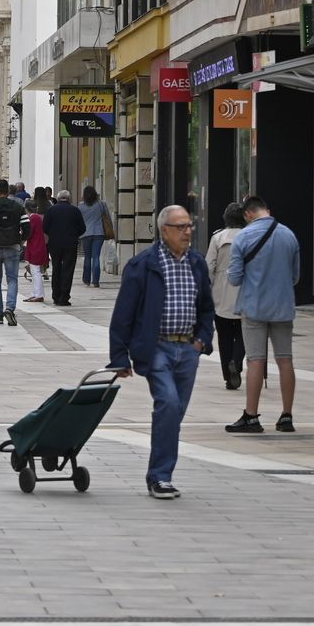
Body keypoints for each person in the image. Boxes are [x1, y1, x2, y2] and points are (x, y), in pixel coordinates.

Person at [108, 205, 216, 500]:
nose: (188, 231)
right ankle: (160, 477)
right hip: (157, 347)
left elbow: (207, 306)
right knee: (167, 404)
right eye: (181, 227)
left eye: (189, 225)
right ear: (164, 230)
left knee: (174, 412)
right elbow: (123, 315)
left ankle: (160, 472)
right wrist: (119, 356)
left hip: (188, 348)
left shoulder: (196, 263)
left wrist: (202, 340)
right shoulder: (143, 265)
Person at [224, 196, 302, 433]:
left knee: (255, 360)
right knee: (285, 359)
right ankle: (286, 415)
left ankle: (251, 416)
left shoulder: (243, 237)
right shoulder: (289, 235)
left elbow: (234, 278)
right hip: (282, 307)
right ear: (267, 210)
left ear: (247, 214)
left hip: (254, 306)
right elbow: (295, 276)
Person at [0, 179, 33, 325]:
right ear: (8, 191)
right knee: (12, 279)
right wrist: (21, 240)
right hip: (12, 246)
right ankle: (10, 308)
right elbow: (27, 227)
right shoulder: (17, 206)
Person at [207, 203, 247, 391]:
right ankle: (236, 364)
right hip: (244, 290)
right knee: (243, 333)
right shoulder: (250, 237)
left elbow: (209, 267)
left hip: (221, 292)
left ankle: (228, 376)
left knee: (224, 336)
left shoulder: (217, 237)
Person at [43, 190, 86, 306]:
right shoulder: (75, 210)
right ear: (69, 199)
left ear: (58, 198)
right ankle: (64, 296)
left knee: (56, 267)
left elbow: (45, 227)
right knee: (68, 268)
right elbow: (82, 228)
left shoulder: (51, 210)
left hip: (54, 243)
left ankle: (55, 295)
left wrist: (53, 234)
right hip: (70, 243)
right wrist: (74, 234)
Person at [79, 185, 115, 287]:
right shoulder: (101, 204)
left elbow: (79, 220)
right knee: (96, 257)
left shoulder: (80, 206)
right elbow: (107, 218)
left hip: (85, 234)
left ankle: (86, 280)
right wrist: (111, 229)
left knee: (87, 257)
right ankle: (95, 281)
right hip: (99, 233)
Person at [22, 200, 48, 303]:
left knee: (35, 271)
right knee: (34, 271)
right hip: (37, 246)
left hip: (35, 247)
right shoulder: (37, 217)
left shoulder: (33, 218)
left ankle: (38, 294)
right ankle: (35, 293)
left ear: (26, 209)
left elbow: (29, 233)